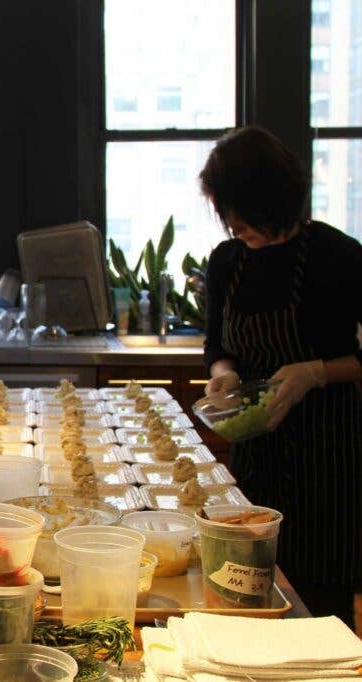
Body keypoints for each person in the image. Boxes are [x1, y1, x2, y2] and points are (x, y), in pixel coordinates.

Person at [200, 125, 362, 626]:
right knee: (245, 588)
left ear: (277, 199)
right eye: (229, 215)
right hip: (256, 454)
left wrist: (315, 372)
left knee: (318, 604)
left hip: (327, 462)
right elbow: (217, 346)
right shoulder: (228, 263)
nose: (236, 226)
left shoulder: (338, 257)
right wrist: (224, 373)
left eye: (246, 214)